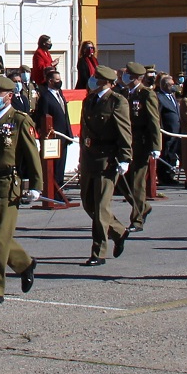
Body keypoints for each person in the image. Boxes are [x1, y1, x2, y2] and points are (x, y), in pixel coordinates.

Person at [0, 72, 42, 305]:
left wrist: (35, 185)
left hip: (8, 184)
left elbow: (33, 155)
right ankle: (25, 263)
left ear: (9, 96)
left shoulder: (20, 120)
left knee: (1, 240)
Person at [78, 65, 131, 265]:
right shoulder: (89, 100)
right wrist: (81, 156)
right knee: (88, 204)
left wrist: (125, 158)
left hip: (106, 159)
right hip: (89, 158)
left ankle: (98, 251)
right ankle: (119, 231)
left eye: (97, 78)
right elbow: (85, 132)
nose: (93, 81)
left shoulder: (117, 101)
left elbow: (124, 131)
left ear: (107, 82)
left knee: (101, 207)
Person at [123, 64, 157, 230]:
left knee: (137, 182)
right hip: (125, 143)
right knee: (122, 183)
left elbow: (153, 121)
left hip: (140, 142)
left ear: (136, 77)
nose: (125, 77)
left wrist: (156, 145)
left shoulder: (146, 94)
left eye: (128, 74)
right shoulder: (124, 93)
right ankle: (143, 207)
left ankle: (137, 220)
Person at [33, 67, 74, 196]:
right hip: (53, 137)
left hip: (63, 135)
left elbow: (64, 114)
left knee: (61, 166)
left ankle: (60, 191)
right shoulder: (45, 97)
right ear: (50, 81)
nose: (59, 82)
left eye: (60, 80)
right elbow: (43, 117)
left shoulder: (59, 94)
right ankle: (53, 193)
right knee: (54, 167)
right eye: (57, 80)